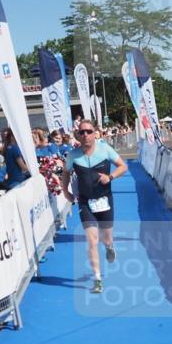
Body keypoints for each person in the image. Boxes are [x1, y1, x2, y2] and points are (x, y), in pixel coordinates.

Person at [61, 119, 127, 294]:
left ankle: (110, 247)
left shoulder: (105, 149)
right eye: (82, 132)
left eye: (88, 132)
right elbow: (65, 173)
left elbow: (123, 166)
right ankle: (97, 279)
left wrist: (110, 177)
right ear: (78, 135)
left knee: (106, 239)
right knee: (91, 241)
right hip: (85, 202)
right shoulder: (73, 155)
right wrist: (65, 192)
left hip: (104, 200)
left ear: (95, 133)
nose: (85, 135)